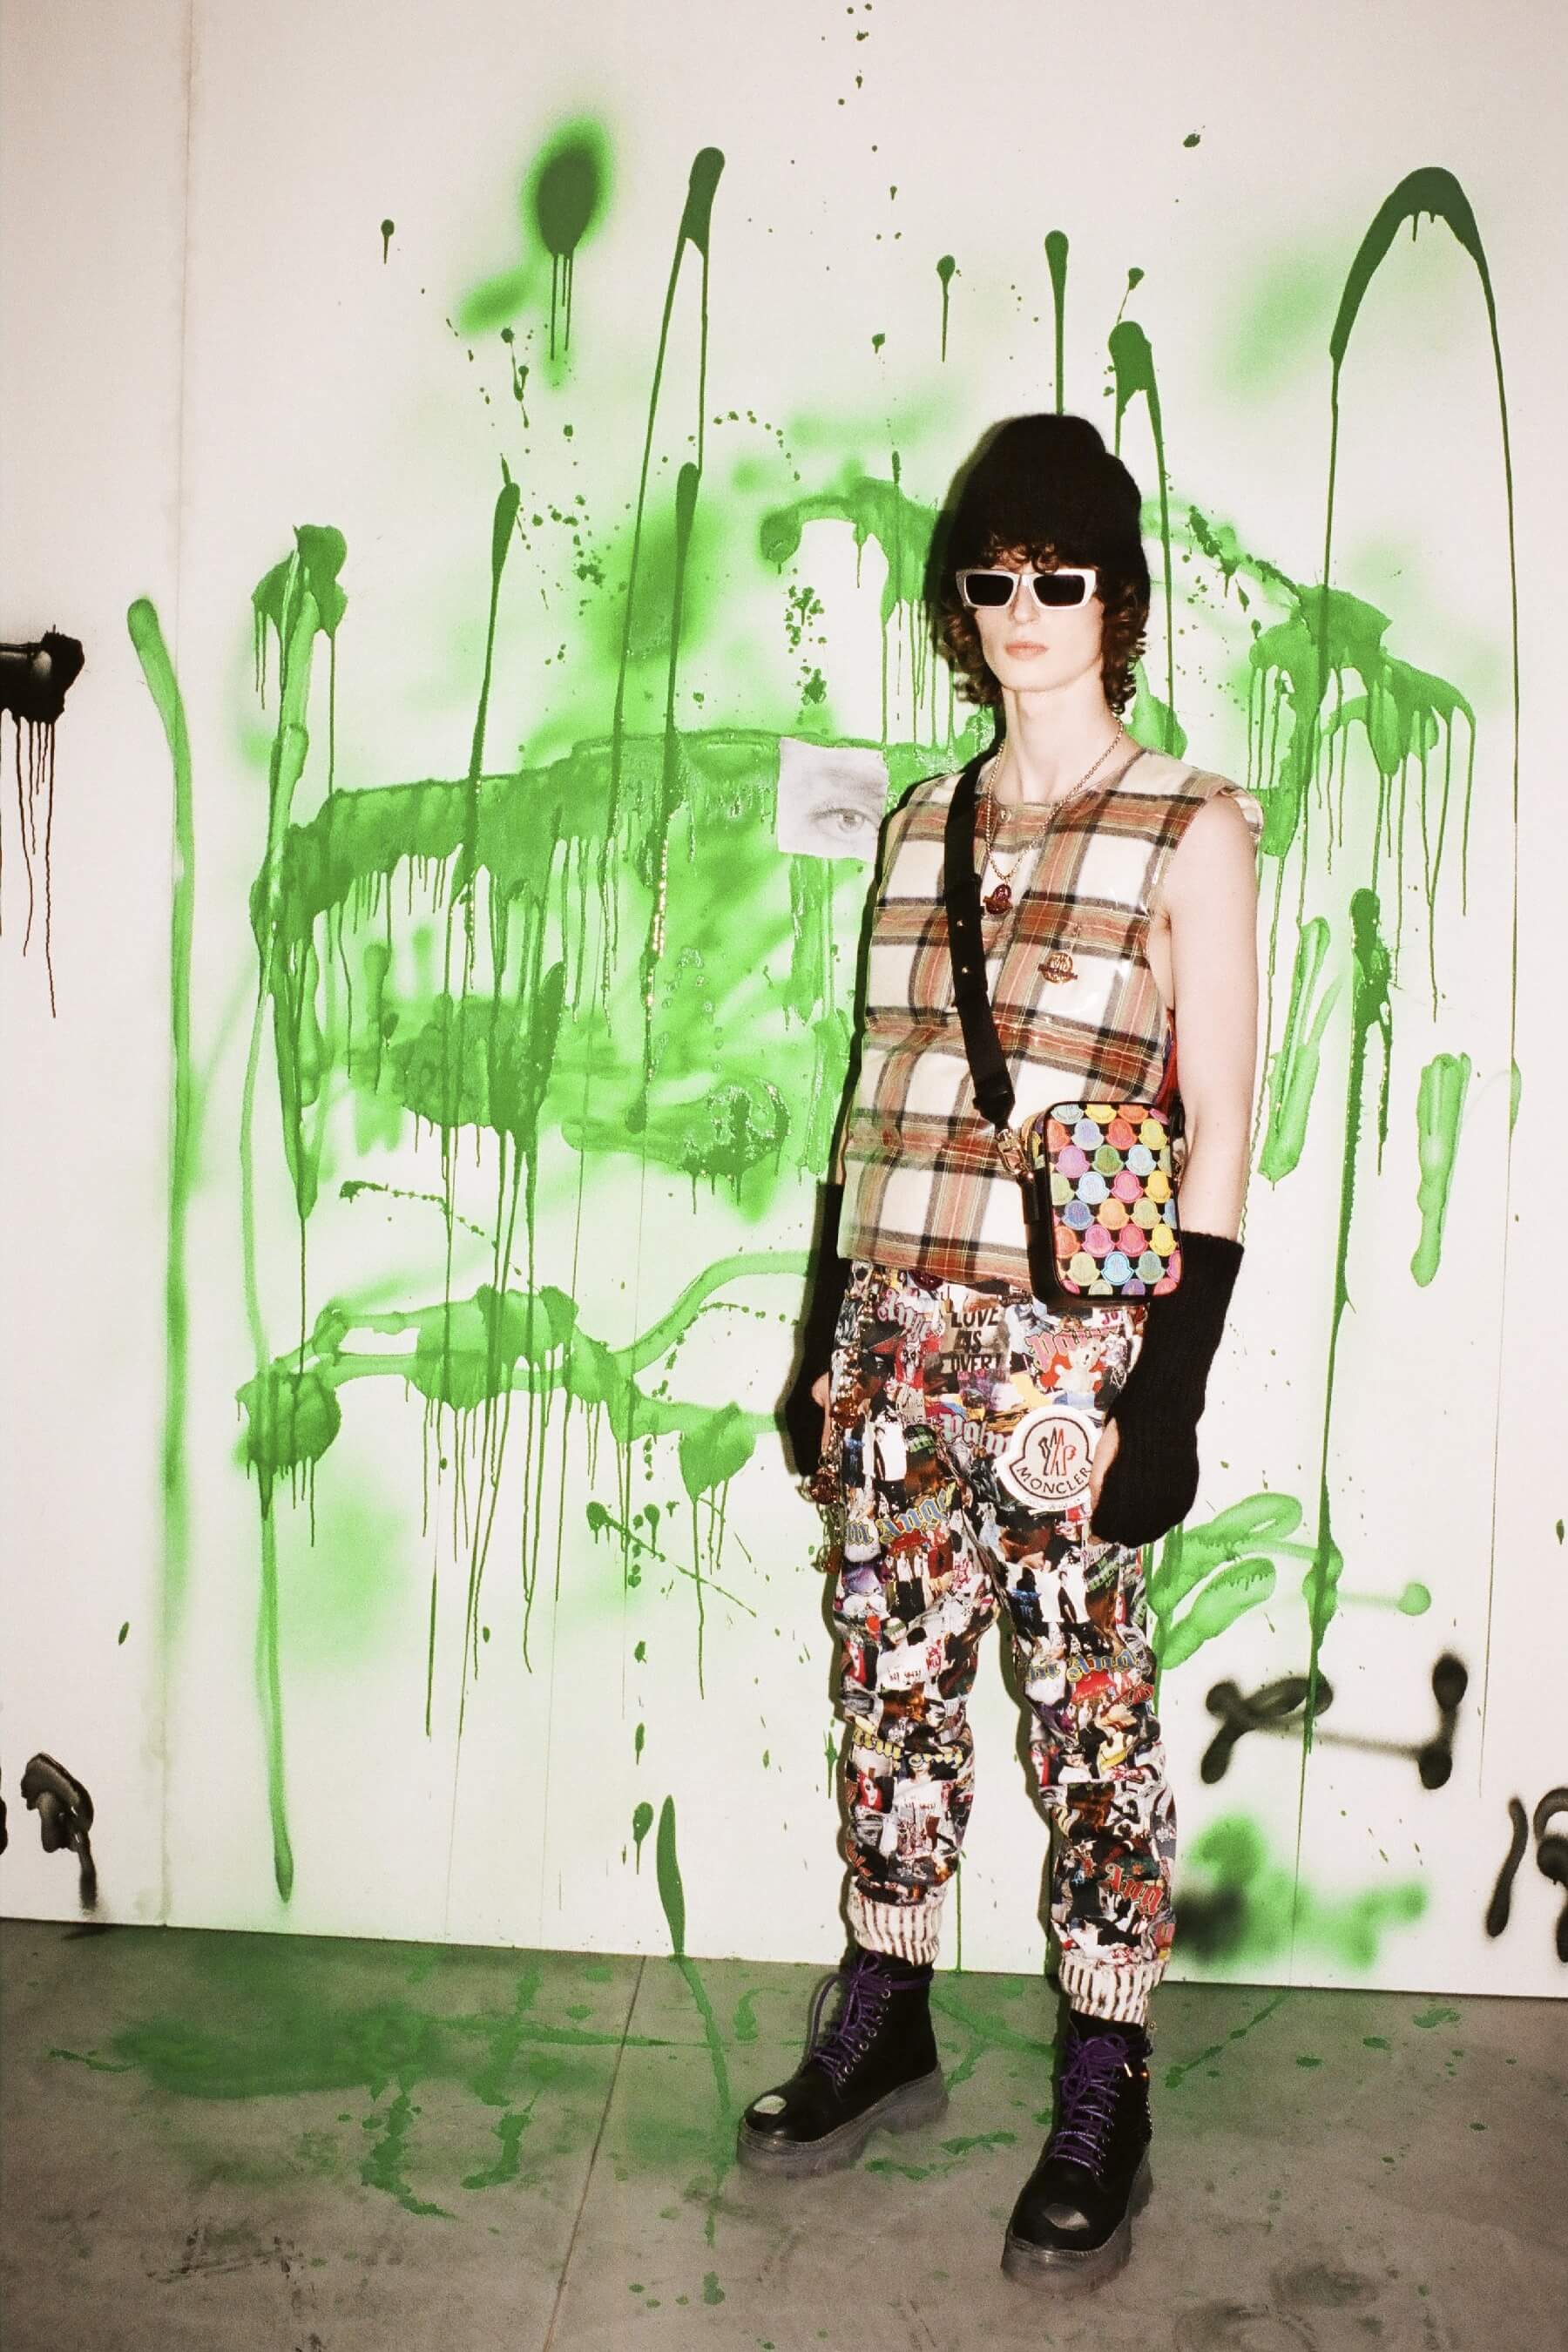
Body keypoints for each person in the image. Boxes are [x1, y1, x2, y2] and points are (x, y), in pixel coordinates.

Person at [751, 414, 1262, 2294]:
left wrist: (1169, 1397)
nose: (1024, 606)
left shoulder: (1191, 827)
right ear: (958, 606)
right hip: (894, 1333)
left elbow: (1223, 1132)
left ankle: (1107, 2070)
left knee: (1086, 1716)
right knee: (888, 1683)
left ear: (1117, 598)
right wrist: (821, 1335)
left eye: (1061, 574)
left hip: (1070, 1357)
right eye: (992, 577)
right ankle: (886, 2000)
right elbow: (871, 1093)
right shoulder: (918, 824)